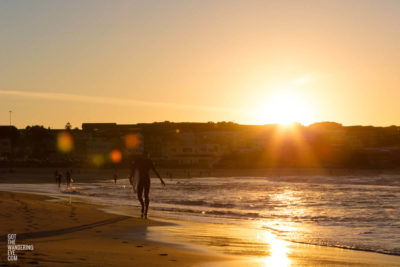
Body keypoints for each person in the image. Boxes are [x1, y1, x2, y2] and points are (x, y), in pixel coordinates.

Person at [129, 152, 165, 219]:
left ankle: (146, 210)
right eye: (146, 156)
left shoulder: (149, 161)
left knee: (146, 195)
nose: (147, 157)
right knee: (139, 196)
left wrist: (161, 179)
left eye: (148, 156)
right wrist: (130, 177)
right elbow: (133, 169)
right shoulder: (138, 161)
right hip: (140, 180)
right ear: (143, 156)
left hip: (146, 180)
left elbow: (155, 171)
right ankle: (143, 205)